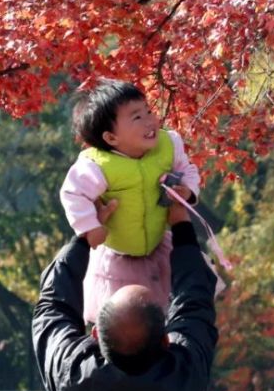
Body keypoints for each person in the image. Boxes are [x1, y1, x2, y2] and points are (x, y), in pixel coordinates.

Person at [33, 197, 218, 391]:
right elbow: (194, 303)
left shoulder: (73, 373)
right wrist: (181, 226)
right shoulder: (185, 373)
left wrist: (84, 236)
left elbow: (53, 307)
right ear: (165, 340)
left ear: (96, 335)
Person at [60, 79, 201, 324]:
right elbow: (73, 193)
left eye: (148, 111)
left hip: (159, 248)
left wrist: (187, 191)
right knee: (128, 320)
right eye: (137, 117)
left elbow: (187, 169)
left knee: (174, 311)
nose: (150, 121)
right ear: (111, 138)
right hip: (118, 261)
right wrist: (90, 227)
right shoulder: (98, 165)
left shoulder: (168, 145)